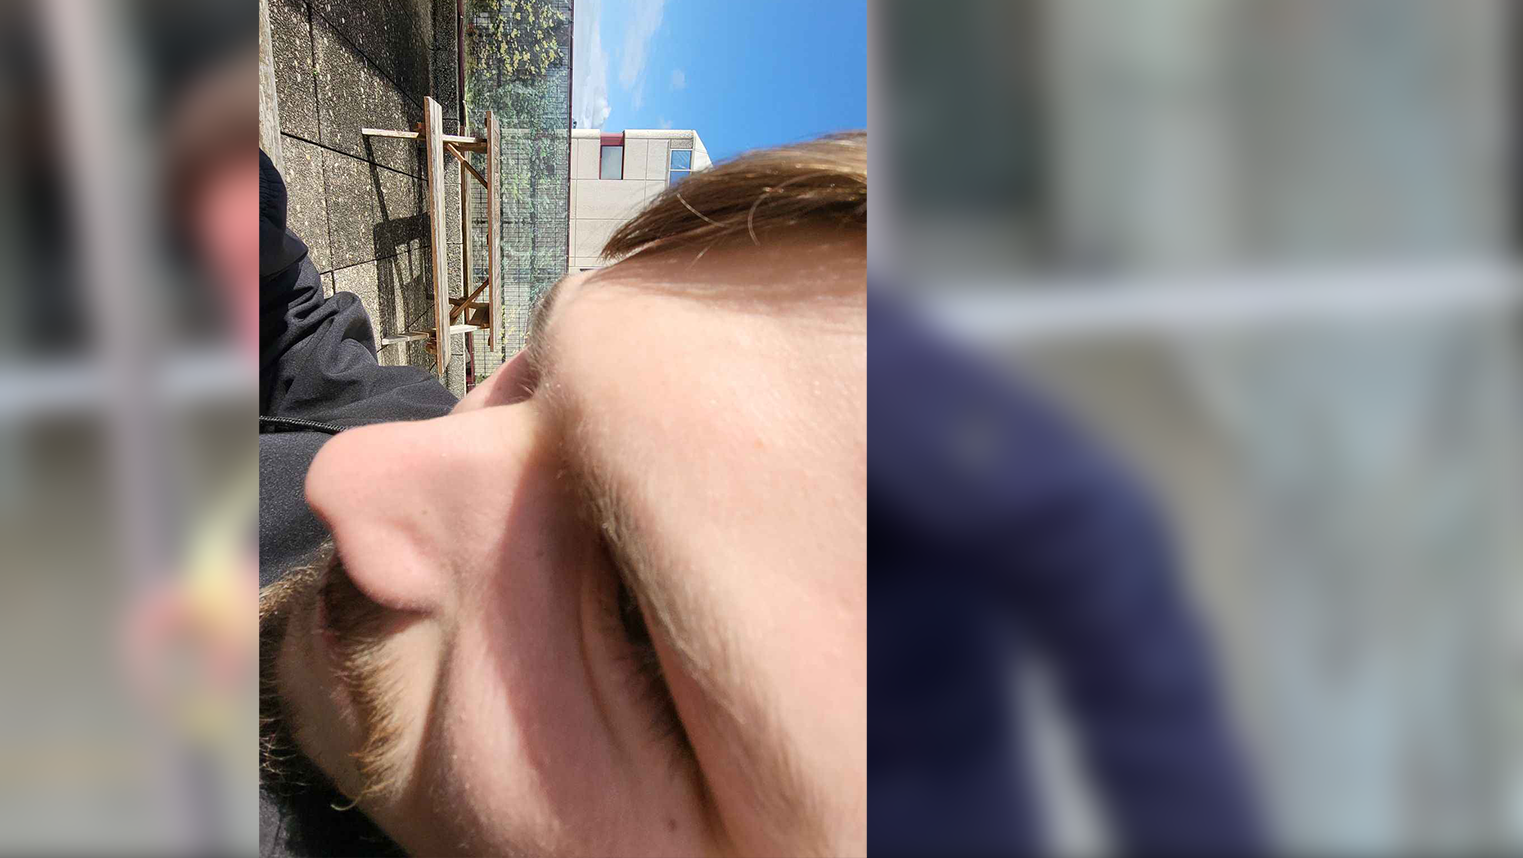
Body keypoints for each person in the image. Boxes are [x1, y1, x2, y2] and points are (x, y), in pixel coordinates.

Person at [156, 51, 1265, 856]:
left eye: (633, 623)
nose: (356, 477)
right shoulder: (433, 432)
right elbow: (302, 338)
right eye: (534, 371)